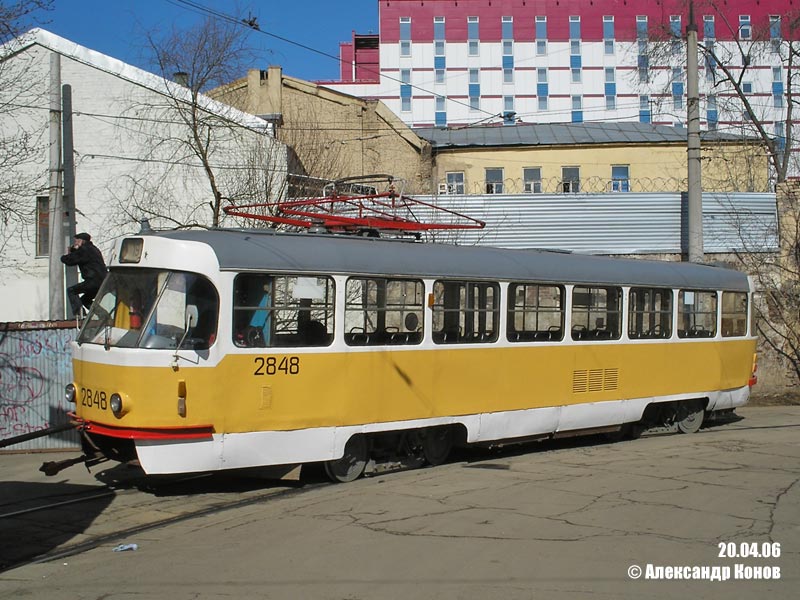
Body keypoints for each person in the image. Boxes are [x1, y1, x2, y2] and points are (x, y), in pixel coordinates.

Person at [60, 232, 108, 317]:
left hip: (93, 281)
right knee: (85, 299)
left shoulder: (84, 250)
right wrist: (75, 251)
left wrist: (65, 255)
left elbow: (70, 260)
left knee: (71, 291)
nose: (75, 243)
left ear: (82, 241)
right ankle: (103, 315)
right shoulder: (94, 249)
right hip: (103, 282)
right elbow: (81, 257)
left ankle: (79, 314)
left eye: (77, 241)